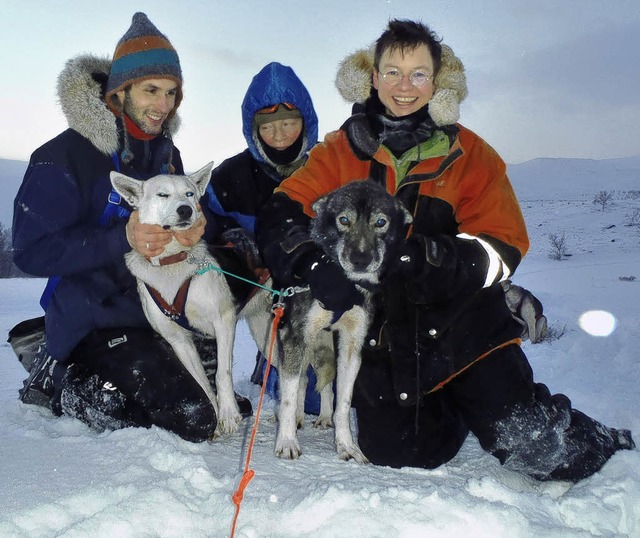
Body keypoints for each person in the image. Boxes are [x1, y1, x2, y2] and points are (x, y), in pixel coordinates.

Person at [256, 19, 635, 481]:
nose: (404, 86)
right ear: (372, 77)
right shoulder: (339, 151)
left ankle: (578, 431)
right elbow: (280, 214)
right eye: (392, 72)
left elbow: (502, 246)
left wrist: (423, 258)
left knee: (542, 452)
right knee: (402, 454)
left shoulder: (471, 155)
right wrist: (312, 264)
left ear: (438, 81)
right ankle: (456, 405)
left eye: (419, 73)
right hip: (387, 338)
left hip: (465, 327)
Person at [11, 12, 248, 442]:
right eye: (151, 90)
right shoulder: (62, 156)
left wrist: (201, 228)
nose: (163, 105)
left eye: (172, 93)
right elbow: (31, 252)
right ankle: (58, 376)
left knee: (223, 408)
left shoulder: (164, 155)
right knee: (193, 419)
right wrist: (122, 238)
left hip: (152, 311)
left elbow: (183, 210)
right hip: (93, 317)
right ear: (120, 91)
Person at [205, 61, 323, 412]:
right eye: (269, 126)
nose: (281, 134)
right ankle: (266, 358)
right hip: (260, 295)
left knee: (317, 400)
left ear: (306, 121)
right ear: (253, 128)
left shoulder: (328, 165)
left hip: (316, 290)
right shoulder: (228, 177)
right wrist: (230, 235)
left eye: (289, 123)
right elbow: (205, 227)